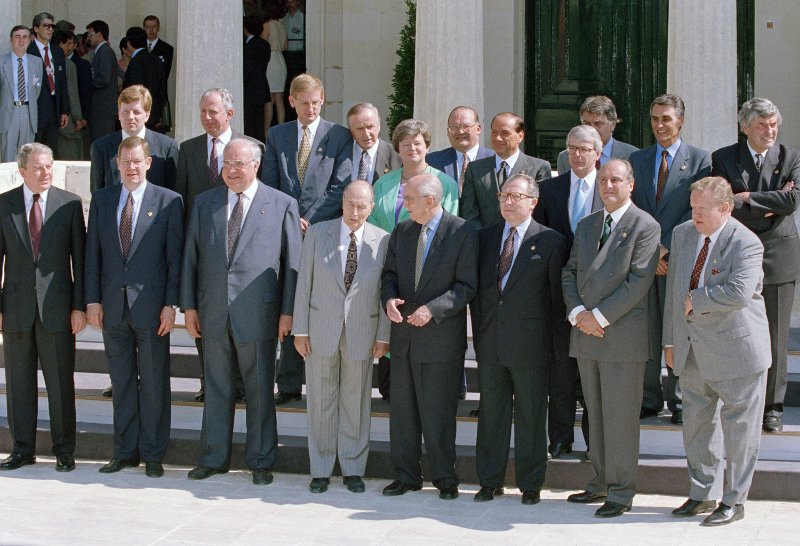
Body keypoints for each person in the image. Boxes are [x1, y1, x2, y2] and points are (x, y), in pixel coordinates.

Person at [181, 138, 301, 485]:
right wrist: (189, 306)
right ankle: (213, 458)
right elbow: (192, 257)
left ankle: (261, 460)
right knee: (217, 387)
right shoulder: (205, 203)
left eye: (239, 163)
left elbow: (292, 263)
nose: (232, 170)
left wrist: (288, 311)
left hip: (260, 314)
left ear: (256, 165)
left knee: (260, 389)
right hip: (213, 311)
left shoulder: (281, 204)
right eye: (227, 164)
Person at [664, 177, 771, 526]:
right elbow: (674, 290)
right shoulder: (682, 234)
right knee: (697, 425)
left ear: (725, 209)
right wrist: (670, 340)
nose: (695, 214)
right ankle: (702, 493)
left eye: (702, 209)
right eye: (693, 207)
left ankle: (734, 499)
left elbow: (739, 292)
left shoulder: (746, 242)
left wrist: (699, 298)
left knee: (740, 429)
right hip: (692, 350)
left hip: (737, 351)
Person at [562, 159, 660, 518]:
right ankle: (601, 479)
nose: (608, 185)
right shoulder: (588, 224)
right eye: (603, 179)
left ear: (631, 185)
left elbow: (639, 281)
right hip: (587, 334)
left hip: (620, 335)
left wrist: (597, 317)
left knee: (619, 417)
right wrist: (577, 315)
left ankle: (621, 490)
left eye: (616, 179)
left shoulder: (644, 226)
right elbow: (570, 271)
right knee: (596, 414)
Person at [85, 136, 183, 478]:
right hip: (112, 307)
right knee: (122, 381)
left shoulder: (169, 201)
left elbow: (174, 259)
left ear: (148, 162)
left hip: (153, 309)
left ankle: (154, 453)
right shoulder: (102, 199)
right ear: (117, 164)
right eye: (125, 162)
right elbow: (92, 255)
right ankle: (124, 451)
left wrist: (172, 304)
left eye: (136, 161)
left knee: (155, 382)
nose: (131, 167)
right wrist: (92, 300)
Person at [380, 173, 478, 501]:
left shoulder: (462, 232)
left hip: (439, 339)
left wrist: (433, 310)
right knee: (403, 414)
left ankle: (445, 478)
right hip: (404, 338)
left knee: (437, 413)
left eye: (408, 199)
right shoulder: (403, 231)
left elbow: (466, 286)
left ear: (430, 201)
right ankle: (405, 476)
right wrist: (389, 299)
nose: (403, 204)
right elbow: (389, 275)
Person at [472, 174, 567, 504]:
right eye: (504, 195)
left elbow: (557, 301)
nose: (509, 201)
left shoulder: (551, 241)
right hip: (491, 342)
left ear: (533, 202)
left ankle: (530, 484)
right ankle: (489, 480)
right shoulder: (484, 238)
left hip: (532, 346)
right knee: (492, 415)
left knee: (530, 416)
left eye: (516, 196)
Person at [293, 180, 390, 494]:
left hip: (363, 330)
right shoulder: (318, 233)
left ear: (371, 207)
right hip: (320, 329)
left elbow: (384, 293)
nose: (356, 211)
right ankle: (320, 468)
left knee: (356, 401)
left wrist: (383, 335)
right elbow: (303, 284)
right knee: (321, 400)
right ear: (343, 203)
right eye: (351, 204)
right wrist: (301, 330)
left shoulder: (383, 241)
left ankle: (352, 468)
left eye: (363, 206)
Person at [711, 98, 800, 434]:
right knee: (735, 330)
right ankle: (738, 401)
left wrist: (746, 197)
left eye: (774, 124)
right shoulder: (723, 158)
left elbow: (791, 202)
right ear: (745, 126)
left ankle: (772, 408)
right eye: (762, 124)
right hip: (737, 255)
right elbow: (722, 204)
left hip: (779, 257)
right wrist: (764, 201)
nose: (770, 130)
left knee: (776, 335)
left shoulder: (791, 156)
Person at [263, 73, 352, 405]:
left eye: (316, 103)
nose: (311, 109)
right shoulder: (277, 135)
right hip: (284, 234)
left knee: (324, 307)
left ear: (323, 99)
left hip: (325, 232)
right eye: (304, 104)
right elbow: (269, 183)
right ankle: (287, 384)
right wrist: (289, 219)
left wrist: (309, 219)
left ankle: (324, 382)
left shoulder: (339, 136)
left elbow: (341, 185)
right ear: (291, 102)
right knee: (290, 303)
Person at [0, 143, 86, 473]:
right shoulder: (5, 205)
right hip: (17, 308)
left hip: (58, 310)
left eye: (49, 166)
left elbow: (79, 260)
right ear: (22, 171)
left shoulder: (69, 205)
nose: (45, 172)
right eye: (38, 168)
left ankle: (64, 450)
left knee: (61, 383)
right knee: (19, 384)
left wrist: (78, 307)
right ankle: (23, 448)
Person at [630, 94, 711, 424]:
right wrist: (653, 250)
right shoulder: (638, 159)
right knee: (647, 329)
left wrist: (667, 247)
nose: (660, 125)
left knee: (681, 327)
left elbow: (696, 209)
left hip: (683, 260)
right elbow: (632, 208)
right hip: (645, 260)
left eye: (666, 118)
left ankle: (679, 400)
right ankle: (649, 398)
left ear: (681, 121)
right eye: (655, 119)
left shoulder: (700, 160)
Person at [175, 87, 261, 402]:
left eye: (213, 112)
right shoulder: (188, 149)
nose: (207, 118)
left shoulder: (253, 149)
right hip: (205, 253)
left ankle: (240, 384)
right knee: (206, 325)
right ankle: (208, 383)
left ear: (229, 113)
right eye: (203, 112)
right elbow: (183, 203)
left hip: (242, 254)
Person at [533, 125, 605, 460]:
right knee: (560, 371)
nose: (577, 155)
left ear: (598, 153)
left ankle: (595, 443)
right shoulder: (548, 190)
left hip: (600, 298)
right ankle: (560, 438)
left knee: (593, 375)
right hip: (558, 295)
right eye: (572, 148)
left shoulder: (611, 188)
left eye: (584, 149)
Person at [461, 112, 552, 227]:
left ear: (520, 136)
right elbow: (469, 213)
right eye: (494, 133)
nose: (498, 138)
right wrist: (483, 239)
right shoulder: (475, 169)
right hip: (485, 240)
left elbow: (540, 212)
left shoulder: (539, 168)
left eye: (505, 133)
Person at [90, 85, 178, 193]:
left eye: (136, 112)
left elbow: (173, 192)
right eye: (125, 112)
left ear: (147, 114)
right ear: (118, 114)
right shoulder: (101, 147)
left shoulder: (166, 147)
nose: (130, 117)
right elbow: (97, 194)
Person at [556, 96, 639, 175]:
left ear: (612, 125)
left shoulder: (633, 156)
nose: (592, 129)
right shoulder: (565, 158)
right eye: (587, 123)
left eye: (598, 124)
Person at [27, 12, 69, 155]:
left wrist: (64, 110)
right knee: (35, 148)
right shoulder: (29, 51)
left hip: (54, 108)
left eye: (52, 26)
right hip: (36, 109)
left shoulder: (57, 51)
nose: (50, 29)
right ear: (36, 28)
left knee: (52, 150)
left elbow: (63, 82)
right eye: (46, 26)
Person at [0, 26, 43, 163]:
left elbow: (37, 90)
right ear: (11, 40)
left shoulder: (36, 62)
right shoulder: (2, 62)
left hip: (28, 112)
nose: (21, 40)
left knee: (27, 157)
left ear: (29, 41)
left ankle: (24, 183)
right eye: (17, 36)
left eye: (25, 36)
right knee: (8, 156)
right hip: (8, 112)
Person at [426, 105, 493, 192]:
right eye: (454, 127)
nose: (460, 131)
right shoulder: (432, 161)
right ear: (448, 131)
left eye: (466, 126)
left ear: (478, 129)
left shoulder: (494, 159)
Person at [346, 102, 401, 185]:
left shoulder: (397, 155)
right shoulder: (341, 154)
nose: (366, 134)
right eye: (360, 128)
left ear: (379, 126)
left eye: (370, 127)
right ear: (350, 130)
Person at [123, 27, 165, 131]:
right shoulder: (156, 59)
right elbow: (162, 88)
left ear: (129, 43)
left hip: (138, 114)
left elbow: (133, 91)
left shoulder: (136, 62)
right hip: (154, 112)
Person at [55, 29, 86, 160]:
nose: (71, 47)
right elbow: (72, 93)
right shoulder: (68, 64)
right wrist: (78, 118)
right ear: (60, 44)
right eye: (68, 43)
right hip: (67, 120)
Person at [86, 20, 118, 142]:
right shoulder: (102, 51)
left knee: (102, 142)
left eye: (91, 35)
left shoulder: (104, 51)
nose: (89, 37)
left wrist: (88, 84)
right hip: (102, 107)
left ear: (99, 35)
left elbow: (104, 78)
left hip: (103, 108)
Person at [143, 15, 173, 133]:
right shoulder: (140, 48)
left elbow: (165, 74)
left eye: (154, 27)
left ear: (158, 28)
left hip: (158, 94)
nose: (151, 30)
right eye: (148, 27)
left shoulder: (167, 49)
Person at [243, 15, 270, 143]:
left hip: (250, 88)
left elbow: (247, 69)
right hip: (261, 87)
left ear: (246, 29)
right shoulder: (265, 44)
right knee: (259, 122)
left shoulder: (249, 47)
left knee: (249, 123)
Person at [262, 3, 288, 132]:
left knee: (270, 98)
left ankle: (267, 130)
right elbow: (285, 47)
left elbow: (262, 44)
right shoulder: (282, 26)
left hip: (270, 61)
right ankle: (281, 127)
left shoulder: (267, 25)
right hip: (280, 60)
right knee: (279, 98)